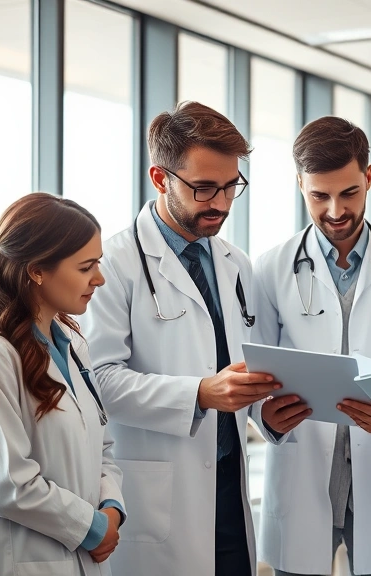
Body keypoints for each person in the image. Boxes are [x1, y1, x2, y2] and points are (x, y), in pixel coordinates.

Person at [83, 101, 276, 576]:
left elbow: (239, 365)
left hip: (230, 490)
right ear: (160, 177)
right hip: (159, 498)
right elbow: (98, 384)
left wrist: (266, 411)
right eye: (204, 188)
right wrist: (199, 393)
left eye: (232, 186)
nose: (222, 203)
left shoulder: (235, 263)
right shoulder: (114, 265)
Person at [250, 116, 371, 576]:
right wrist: (265, 418)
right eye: (319, 196)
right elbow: (253, 368)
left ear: (369, 177)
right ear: (299, 185)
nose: (335, 210)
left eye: (349, 193)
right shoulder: (272, 268)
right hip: (302, 466)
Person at [0, 193, 124, 575]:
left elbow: (101, 446)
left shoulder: (73, 345)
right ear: (37, 270)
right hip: (6, 559)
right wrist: (93, 528)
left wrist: (111, 509)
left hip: (77, 554)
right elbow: (9, 484)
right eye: (86, 267)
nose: (99, 279)